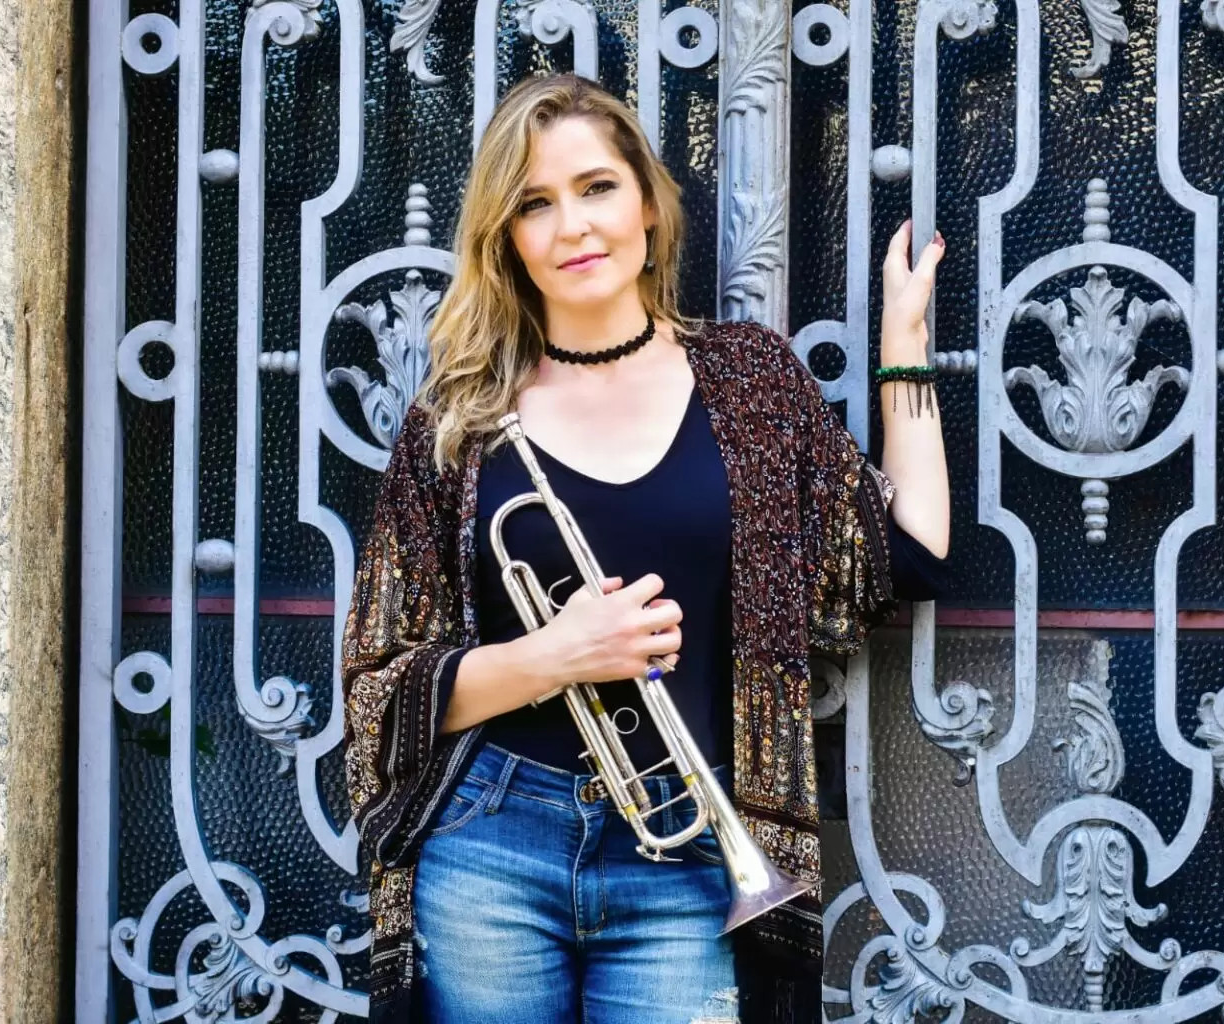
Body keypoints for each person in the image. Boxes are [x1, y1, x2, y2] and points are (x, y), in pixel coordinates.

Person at [341, 73, 951, 1024]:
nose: (573, 226)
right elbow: (378, 693)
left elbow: (904, 557)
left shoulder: (751, 382)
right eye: (535, 204)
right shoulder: (458, 417)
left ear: (650, 207)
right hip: (490, 841)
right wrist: (559, 655)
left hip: (690, 853)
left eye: (597, 188)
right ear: (507, 239)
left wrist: (903, 342)